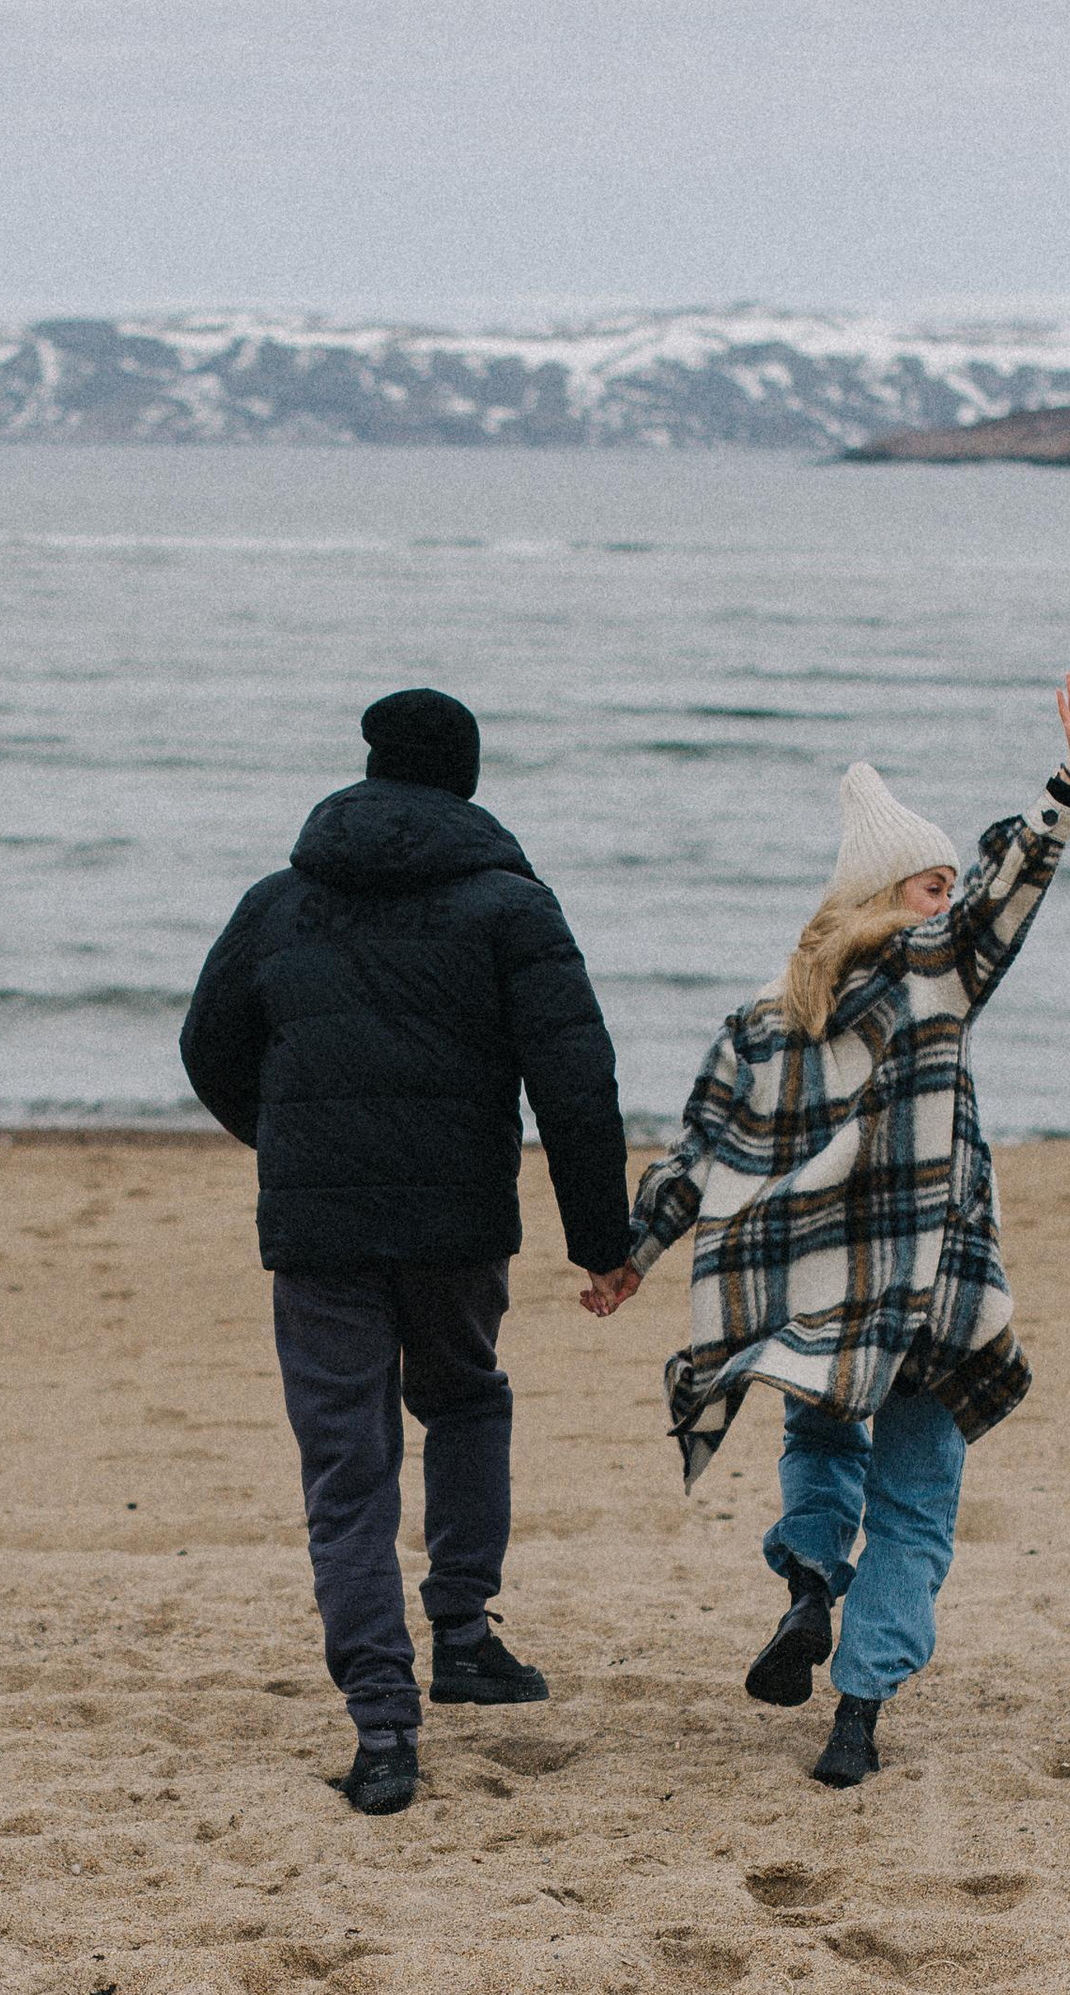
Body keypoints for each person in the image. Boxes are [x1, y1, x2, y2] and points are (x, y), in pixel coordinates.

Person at [583, 670, 1070, 1786]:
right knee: (919, 1498)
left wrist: (628, 1257)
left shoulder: (762, 1022)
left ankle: (812, 1584)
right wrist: (1067, 783)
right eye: (930, 885)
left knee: (820, 1438)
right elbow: (1009, 893)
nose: (947, 901)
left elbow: (695, 1154)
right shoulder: (936, 974)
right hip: (932, 1286)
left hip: (815, 1298)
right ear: (888, 896)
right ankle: (858, 1714)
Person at [181, 687, 635, 1817]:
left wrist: (290, 1142)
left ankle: (384, 1724)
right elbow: (575, 1083)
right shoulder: (510, 907)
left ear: (371, 767)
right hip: (452, 1224)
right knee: (466, 1400)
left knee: (348, 1471)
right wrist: (603, 1242)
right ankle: (466, 1635)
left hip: (320, 1228)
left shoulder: (279, 902)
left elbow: (207, 1046)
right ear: (466, 780)